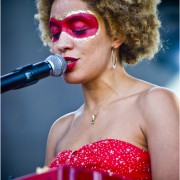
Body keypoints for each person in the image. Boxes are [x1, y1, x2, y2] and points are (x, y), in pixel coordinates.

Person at [35, 0, 179, 179]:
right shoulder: (59, 130)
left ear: (116, 34)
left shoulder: (156, 102)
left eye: (79, 28)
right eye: (56, 33)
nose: (61, 44)